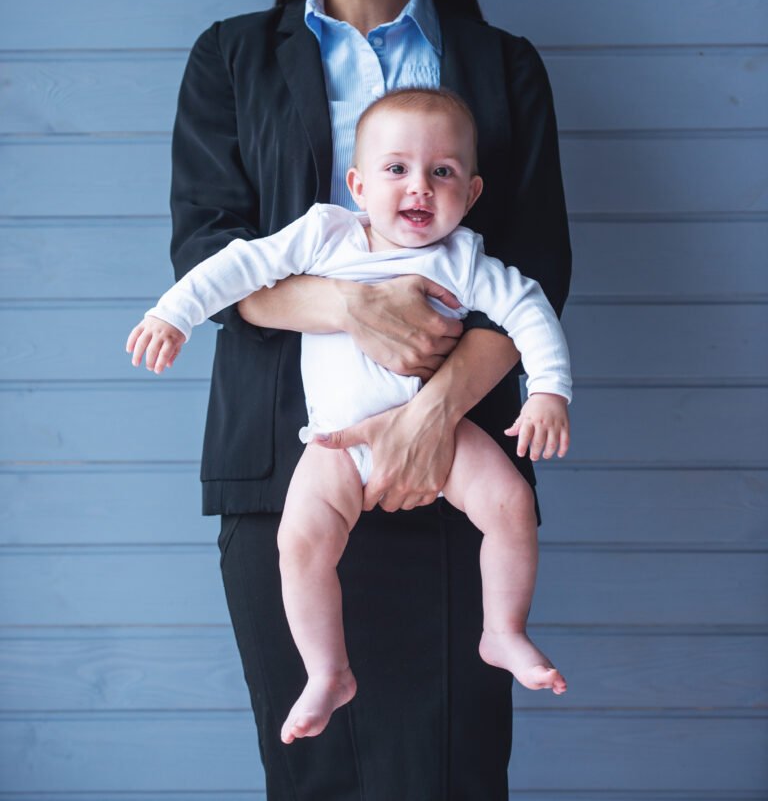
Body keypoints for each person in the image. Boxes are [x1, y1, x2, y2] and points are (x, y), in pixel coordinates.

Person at [160, 0, 572, 799]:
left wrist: (437, 411)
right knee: (314, 776)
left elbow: (539, 273)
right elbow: (210, 253)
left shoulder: (503, 66)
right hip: (282, 466)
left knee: (449, 772)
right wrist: (353, 303)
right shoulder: (230, 61)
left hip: (457, 463)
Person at [127, 87, 572, 743]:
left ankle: (503, 631)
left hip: (439, 431)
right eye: (396, 170)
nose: (418, 186)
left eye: (442, 172)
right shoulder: (329, 235)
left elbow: (530, 309)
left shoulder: (466, 259)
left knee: (510, 507)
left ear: (471, 194)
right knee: (300, 543)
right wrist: (174, 312)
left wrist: (548, 393)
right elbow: (240, 265)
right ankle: (326, 670)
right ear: (358, 185)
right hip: (335, 443)